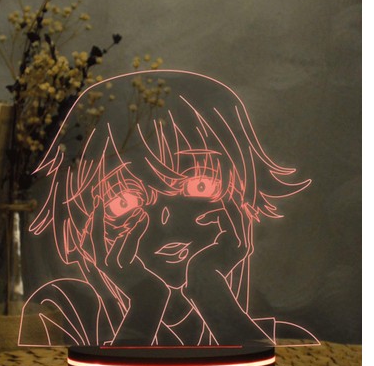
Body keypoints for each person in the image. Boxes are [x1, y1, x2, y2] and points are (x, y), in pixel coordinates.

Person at [19, 70, 317, 348]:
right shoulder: (58, 315)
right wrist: (144, 299)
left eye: (200, 184)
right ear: (84, 223)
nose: (166, 220)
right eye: (124, 200)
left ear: (244, 196)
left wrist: (212, 291)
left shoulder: (283, 341)